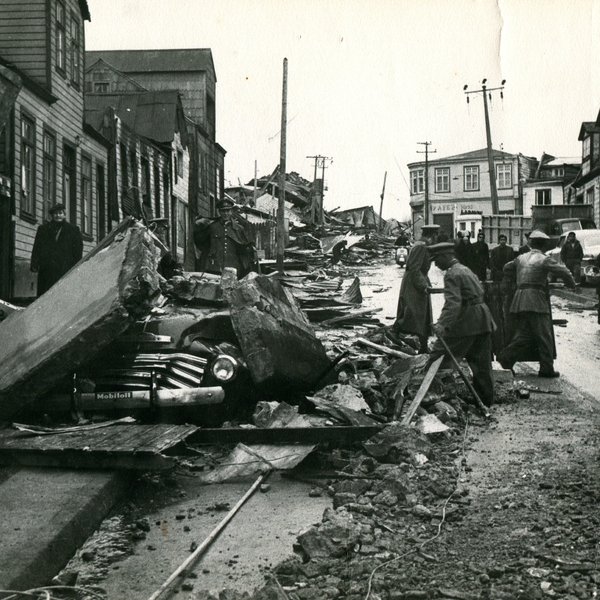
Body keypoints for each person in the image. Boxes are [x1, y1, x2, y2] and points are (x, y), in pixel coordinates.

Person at [498, 230, 576, 378]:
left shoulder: (521, 258)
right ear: (544, 245)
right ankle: (546, 368)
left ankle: (506, 358)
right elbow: (564, 271)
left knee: (524, 334)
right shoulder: (544, 259)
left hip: (520, 300)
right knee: (544, 335)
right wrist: (571, 285)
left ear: (531, 243)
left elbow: (507, 267)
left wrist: (515, 280)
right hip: (536, 301)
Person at [428, 242, 496, 407]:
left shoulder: (451, 275)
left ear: (445, 256)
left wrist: (442, 325)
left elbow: (453, 303)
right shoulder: (465, 269)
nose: (435, 264)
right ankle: (486, 400)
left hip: (467, 321)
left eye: (436, 259)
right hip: (482, 319)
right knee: (481, 363)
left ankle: (429, 394)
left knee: (439, 355)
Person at [393, 223, 439, 353]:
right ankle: (394, 331)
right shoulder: (421, 247)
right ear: (432, 236)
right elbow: (414, 268)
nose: (436, 239)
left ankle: (423, 347)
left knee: (422, 316)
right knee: (412, 313)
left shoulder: (423, 246)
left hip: (418, 281)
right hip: (414, 284)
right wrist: (423, 286)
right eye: (435, 236)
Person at [193, 198, 257, 278]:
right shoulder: (212, 227)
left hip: (233, 268)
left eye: (228, 211)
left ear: (231, 211)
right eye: (223, 211)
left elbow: (243, 249)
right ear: (219, 212)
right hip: (215, 267)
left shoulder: (239, 229)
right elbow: (202, 244)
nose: (225, 213)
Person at [30, 203, 83, 297]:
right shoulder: (43, 229)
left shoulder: (73, 230)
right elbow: (37, 247)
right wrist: (34, 263)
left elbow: (78, 249)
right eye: (55, 213)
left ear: (64, 215)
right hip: (47, 267)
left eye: (60, 213)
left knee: (63, 294)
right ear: (52, 215)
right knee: (45, 294)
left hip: (65, 267)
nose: (58, 215)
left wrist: (76, 265)